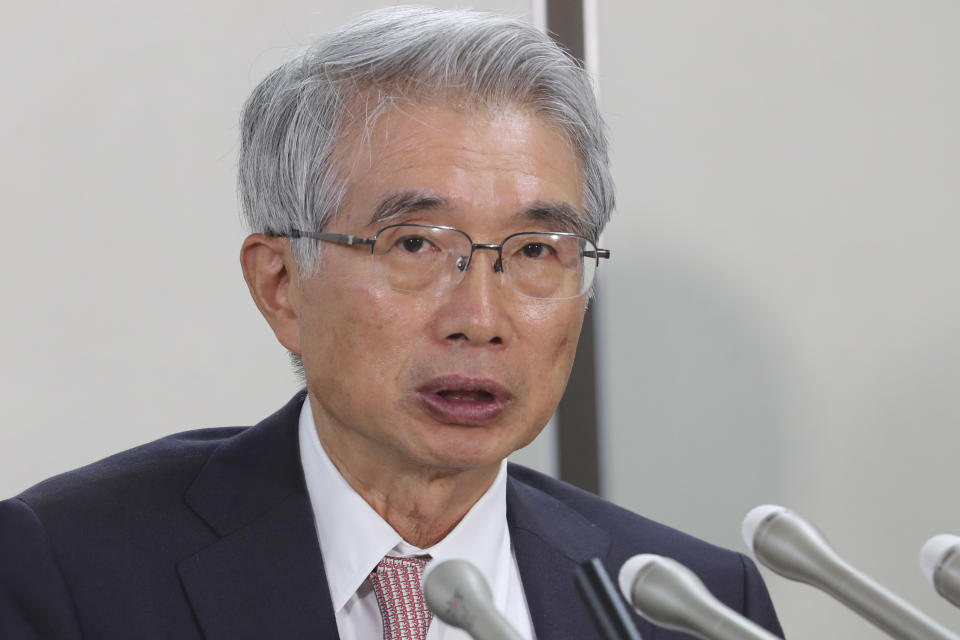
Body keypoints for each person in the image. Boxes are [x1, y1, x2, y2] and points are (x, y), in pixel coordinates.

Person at [0, 7, 783, 639]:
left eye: (537, 249)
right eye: (415, 243)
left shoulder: (690, 605)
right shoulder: (67, 571)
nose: (480, 318)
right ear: (280, 286)